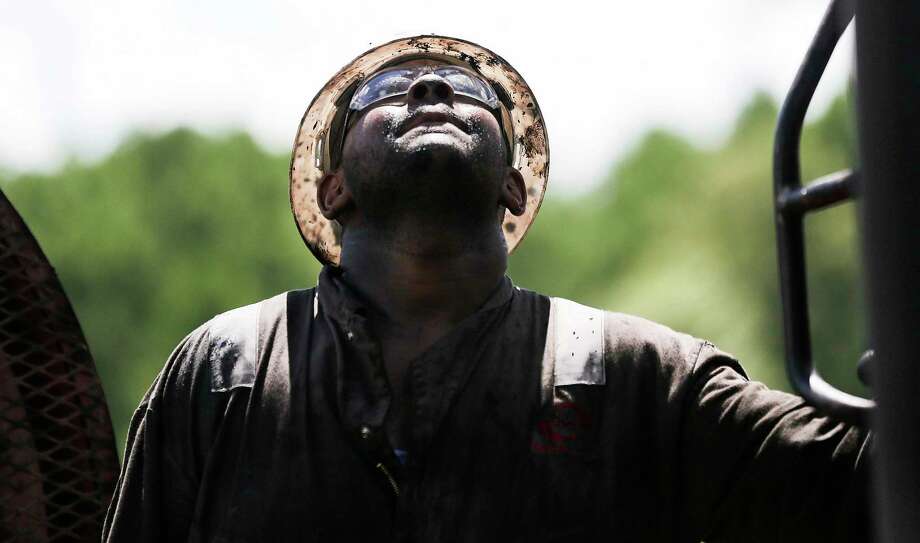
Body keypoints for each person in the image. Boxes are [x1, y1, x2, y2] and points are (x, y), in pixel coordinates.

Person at [102, 36, 871, 542]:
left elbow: (866, 486)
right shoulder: (223, 371)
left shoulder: (637, 375)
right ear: (333, 189)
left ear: (512, 181)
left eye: (472, 92)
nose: (433, 84)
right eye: (388, 90)